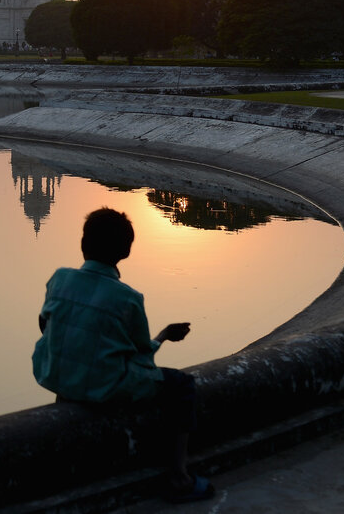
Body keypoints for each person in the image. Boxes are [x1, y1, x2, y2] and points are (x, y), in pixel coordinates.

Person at [32, 208, 213, 503]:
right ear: (125, 250)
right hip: (105, 386)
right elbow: (141, 356)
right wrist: (164, 336)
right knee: (182, 385)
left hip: (56, 376)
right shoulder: (128, 297)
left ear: (83, 243)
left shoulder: (59, 279)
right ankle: (179, 475)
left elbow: (46, 325)